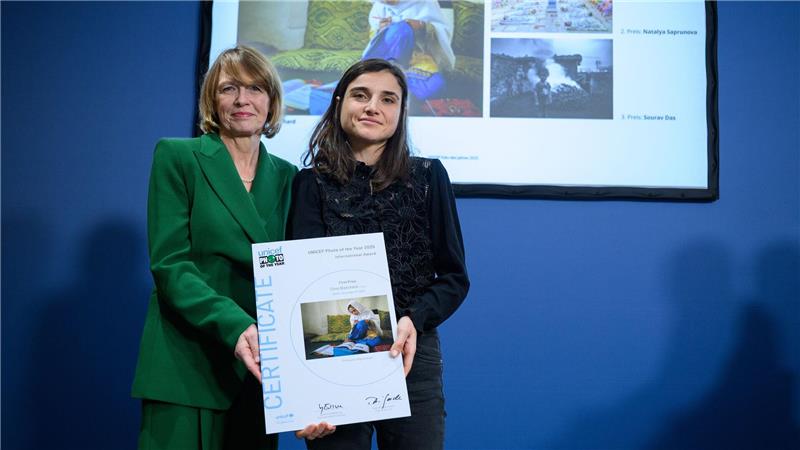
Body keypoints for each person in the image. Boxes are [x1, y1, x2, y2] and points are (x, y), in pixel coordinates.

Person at [288, 58, 470, 449]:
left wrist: (414, 319)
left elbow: (454, 278)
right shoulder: (309, 184)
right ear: (339, 103)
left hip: (410, 352)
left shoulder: (429, 177)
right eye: (360, 95)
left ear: (401, 113)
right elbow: (299, 287)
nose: (373, 107)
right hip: (334, 357)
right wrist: (304, 389)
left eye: (388, 99)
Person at [131, 46, 299, 450]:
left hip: (261, 368)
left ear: (272, 102)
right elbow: (170, 265)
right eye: (229, 89)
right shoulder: (178, 157)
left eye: (255, 88)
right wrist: (235, 324)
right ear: (212, 99)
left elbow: (295, 272)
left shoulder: (290, 177)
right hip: (187, 362)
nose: (242, 100)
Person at [362, 0, 456, 101]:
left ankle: (395, 90)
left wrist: (421, 26)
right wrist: (381, 30)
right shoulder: (379, 6)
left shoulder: (425, 3)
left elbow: (442, 32)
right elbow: (374, 40)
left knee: (436, 84)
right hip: (387, 58)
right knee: (399, 29)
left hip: (417, 58)